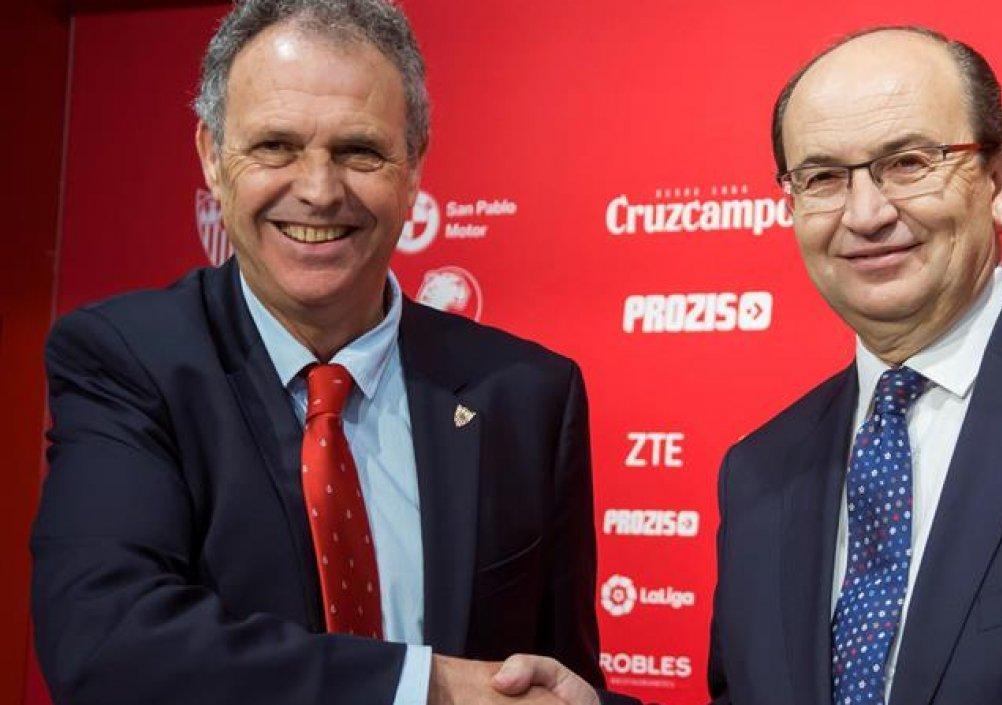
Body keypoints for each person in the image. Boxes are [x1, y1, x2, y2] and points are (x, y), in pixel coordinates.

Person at [492, 25, 1002, 705]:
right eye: (823, 177)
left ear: (999, 179)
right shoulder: (761, 470)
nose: (865, 213)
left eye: (908, 161)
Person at [30, 1, 615, 703]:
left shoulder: (528, 395)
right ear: (212, 160)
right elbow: (107, 643)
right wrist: (421, 686)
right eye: (275, 145)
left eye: (359, 151)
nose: (317, 189)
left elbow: (558, 683)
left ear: (413, 171)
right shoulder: (126, 362)